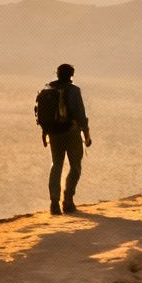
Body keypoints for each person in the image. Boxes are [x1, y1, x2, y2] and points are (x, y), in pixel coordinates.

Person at [38, 63, 90, 215]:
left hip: (53, 134)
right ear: (71, 75)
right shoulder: (73, 91)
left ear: (57, 74)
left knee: (56, 166)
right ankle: (67, 200)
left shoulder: (47, 90)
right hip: (71, 133)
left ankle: (54, 203)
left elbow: (42, 115)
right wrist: (86, 135)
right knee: (75, 166)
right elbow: (80, 114)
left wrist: (45, 132)